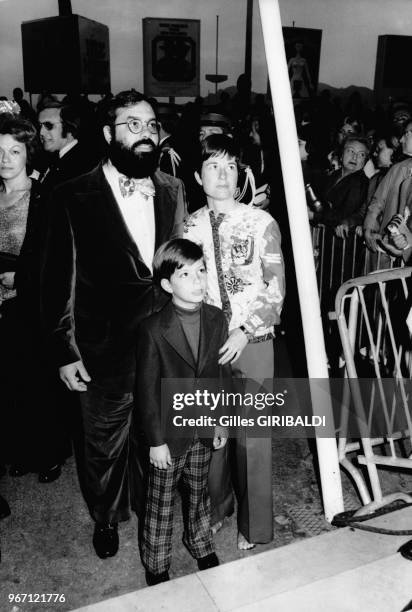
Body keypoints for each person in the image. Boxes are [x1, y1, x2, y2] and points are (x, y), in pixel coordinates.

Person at [41, 90, 187, 559]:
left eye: (149, 125)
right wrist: (65, 351)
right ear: (108, 134)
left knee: (156, 438)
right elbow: (55, 280)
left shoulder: (172, 188)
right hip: (100, 348)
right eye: (131, 125)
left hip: (162, 345)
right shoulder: (71, 194)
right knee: (102, 446)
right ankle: (106, 519)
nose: (144, 134)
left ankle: (151, 512)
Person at [185, 134, 285, 550]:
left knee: (254, 439)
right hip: (207, 345)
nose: (222, 175)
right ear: (198, 175)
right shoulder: (187, 225)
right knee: (215, 434)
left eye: (230, 166)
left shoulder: (261, 222)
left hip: (254, 342)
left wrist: (245, 330)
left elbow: (275, 286)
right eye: (213, 166)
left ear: (241, 173)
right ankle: (218, 509)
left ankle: (256, 527)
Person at [136, 238, 229, 586]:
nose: (198, 280)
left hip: (203, 425)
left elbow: (218, 376)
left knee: (198, 492)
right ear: (166, 284)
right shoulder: (152, 329)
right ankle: (157, 561)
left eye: (201, 270)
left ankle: (200, 541)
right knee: (160, 501)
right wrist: (155, 441)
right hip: (168, 433)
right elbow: (146, 390)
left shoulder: (216, 318)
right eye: (186, 274)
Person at [0, 113, 68, 481]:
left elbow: (54, 258)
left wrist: (21, 277)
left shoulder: (44, 197)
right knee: (8, 383)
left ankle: (49, 453)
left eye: (14, 151)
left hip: (30, 304)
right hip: (0, 304)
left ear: (28, 154)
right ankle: (20, 450)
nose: (5, 159)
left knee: (37, 383)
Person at [364, 120, 412, 254]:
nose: (401, 139)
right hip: (387, 249)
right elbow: (377, 201)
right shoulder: (397, 169)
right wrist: (369, 228)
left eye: (406, 134)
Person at [37, 101, 97, 196]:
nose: (41, 132)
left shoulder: (80, 166)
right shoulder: (55, 158)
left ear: (69, 127)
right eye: (40, 126)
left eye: (48, 125)